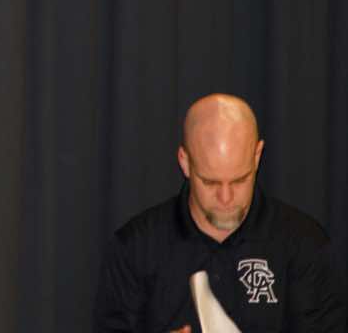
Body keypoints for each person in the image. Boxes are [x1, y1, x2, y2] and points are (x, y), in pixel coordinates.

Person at [94, 93, 346, 332]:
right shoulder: (136, 249)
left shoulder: (304, 246)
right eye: (210, 182)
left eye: (239, 180)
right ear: (184, 162)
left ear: (257, 156)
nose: (226, 198)